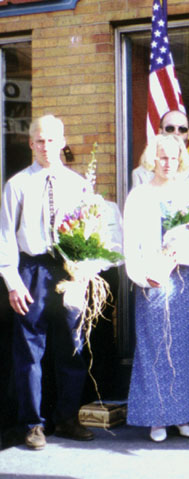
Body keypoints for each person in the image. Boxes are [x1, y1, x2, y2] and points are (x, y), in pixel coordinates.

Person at [0, 114, 95, 450]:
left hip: (68, 269)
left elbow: (89, 231)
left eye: (52, 140)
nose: (45, 146)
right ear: (30, 143)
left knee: (72, 345)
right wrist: (13, 281)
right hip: (33, 270)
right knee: (29, 349)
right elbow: (6, 237)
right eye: (39, 140)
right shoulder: (17, 185)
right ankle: (32, 424)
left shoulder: (78, 184)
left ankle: (67, 417)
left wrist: (85, 270)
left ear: (62, 141)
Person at [123, 134, 189, 443]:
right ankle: (157, 418)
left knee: (186, 345)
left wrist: (181, 252)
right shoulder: (138, 195)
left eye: (173, 157)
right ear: (153, 159)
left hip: (182, 275)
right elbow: (130, 244)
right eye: (162, 157)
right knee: (156, 346)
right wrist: (143, 275)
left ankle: (184, 416)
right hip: (152, 277)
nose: (167, 162)